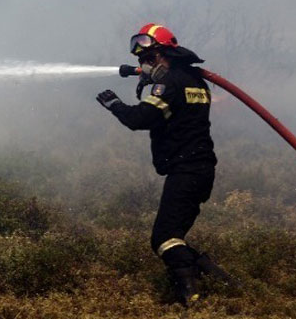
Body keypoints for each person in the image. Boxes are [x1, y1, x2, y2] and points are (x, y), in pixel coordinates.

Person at [95, 23, 233, 305]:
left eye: (149, 59)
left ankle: (190, 296)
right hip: (199, 169)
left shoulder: (169, 83)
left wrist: (115, 105)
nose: (144, 65)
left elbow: (140, 120)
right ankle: (223, 281)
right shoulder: (193, 80)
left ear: (165, 54)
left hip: (188, 169)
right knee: (173, 236)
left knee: (164, 238)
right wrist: (145, 80)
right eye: (140, 62)